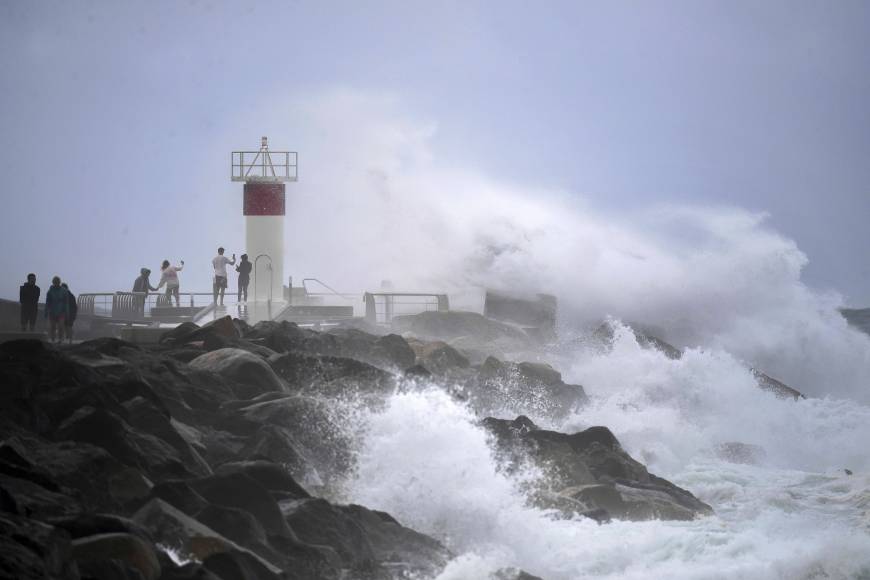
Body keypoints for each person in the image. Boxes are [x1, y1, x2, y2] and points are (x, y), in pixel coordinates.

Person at [44, 276, 69, 343]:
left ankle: (60, 339)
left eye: (57, 282)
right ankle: (53, 339)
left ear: (59, 282)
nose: (56, 283)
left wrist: (66, 312)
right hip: (52, 311)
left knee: (61, 326)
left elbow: (66, 302)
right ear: (53, 282)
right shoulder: (50, 291)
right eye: (55, 282)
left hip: (61, 311)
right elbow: (47, 302)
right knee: (53, 326)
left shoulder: (64, 291)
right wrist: (46, 311)